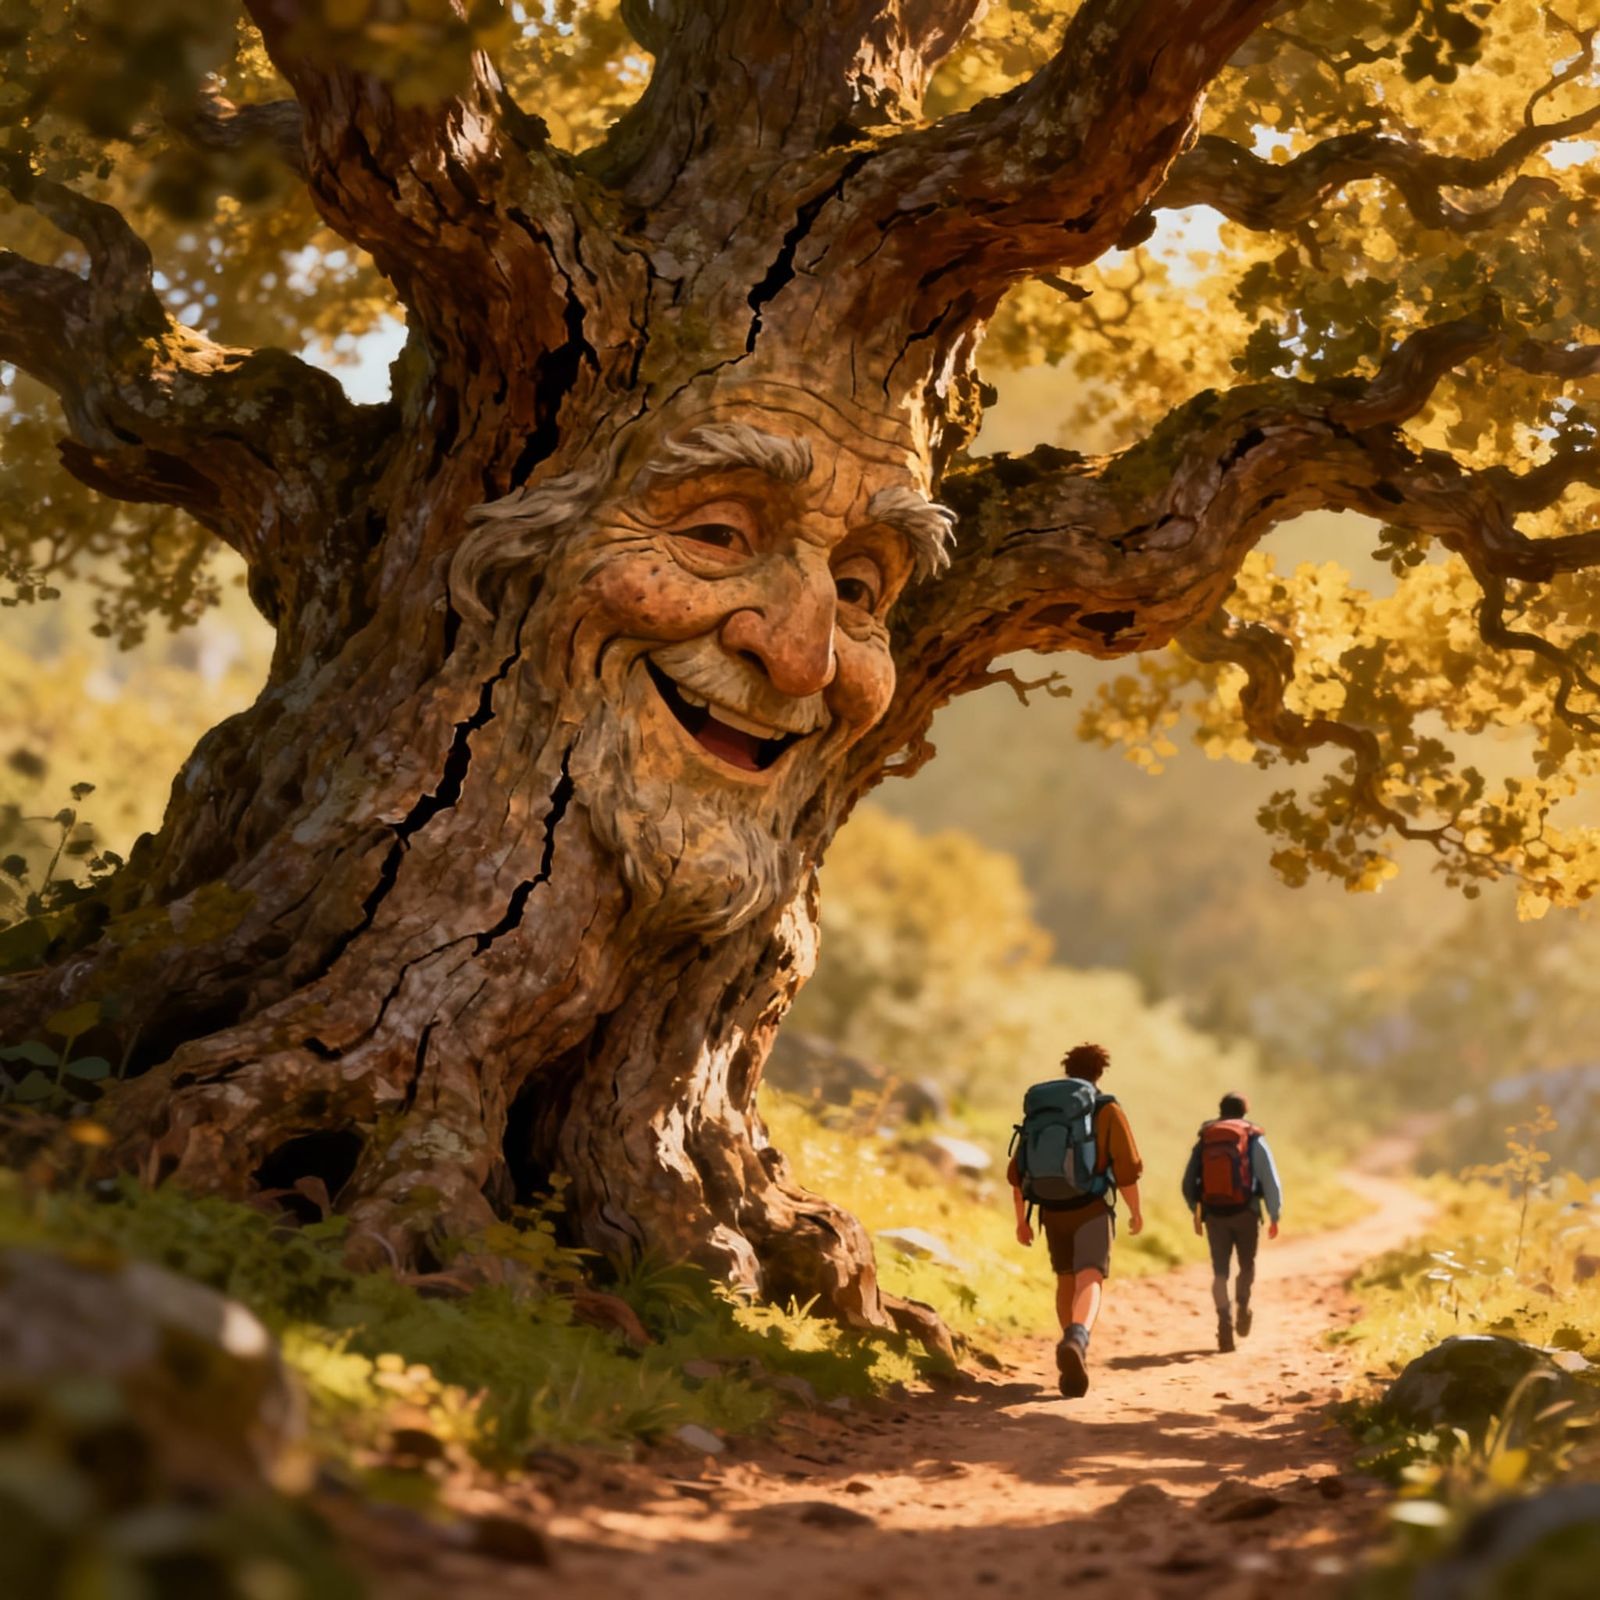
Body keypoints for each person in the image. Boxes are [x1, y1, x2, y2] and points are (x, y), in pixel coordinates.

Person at [1008, 1042, 1144, 1399]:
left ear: (1068, 1069)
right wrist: (1135, 1211)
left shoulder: (1044, 1110)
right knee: (1090, 1277)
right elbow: (1126, 1167)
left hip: (1051, 1209)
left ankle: (1070, 1354)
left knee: (1065, 1279)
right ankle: (1077, 1339)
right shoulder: (1106, 1109)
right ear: (1100, 1072)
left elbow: (1017, 1171)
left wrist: (1022, 1221)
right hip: (1091, 1207)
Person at [1182, 1091, 1283, 1353]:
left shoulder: (1206, 1137)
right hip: (1246, 1212)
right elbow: (1269, 1178)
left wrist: (1197, 1209)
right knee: (1246, 1265)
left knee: (1219, 1272)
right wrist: (1274, 1214)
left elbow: (1187, 1182)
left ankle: (1223, 1321)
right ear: (1244, 1112)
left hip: (1215, 1214)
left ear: (1221, 1110)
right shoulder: (1252, 1137)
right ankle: (1243, 1306)